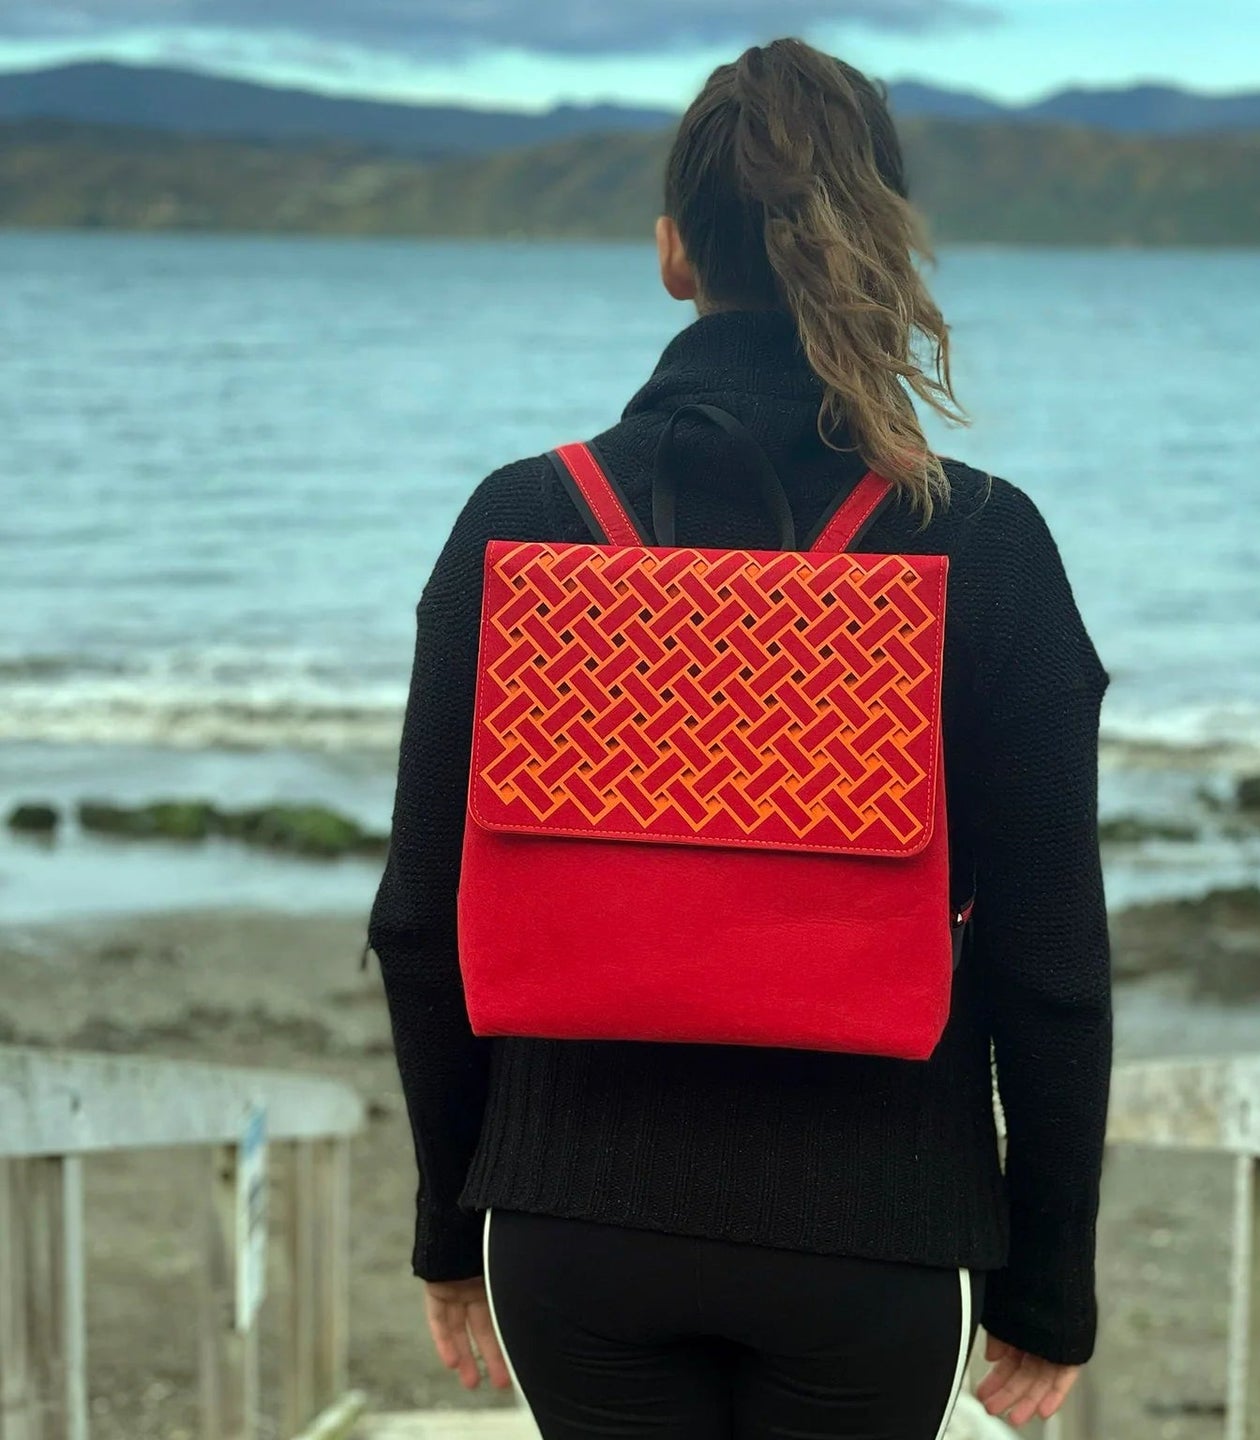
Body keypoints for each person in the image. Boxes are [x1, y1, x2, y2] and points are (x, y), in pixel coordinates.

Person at [369, 37, 1112, 1439]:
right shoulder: (982, 542)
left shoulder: (518, 523)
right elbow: (1050, 959)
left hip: (568, 1218)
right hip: (873, 1230)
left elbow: (420, 919)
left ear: (671, 255)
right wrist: (1049, 1281)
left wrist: (447, 1223)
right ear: (889, 248)